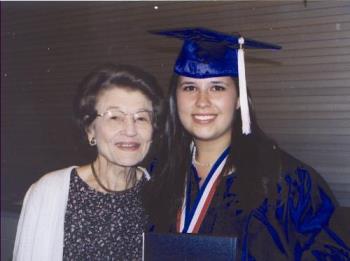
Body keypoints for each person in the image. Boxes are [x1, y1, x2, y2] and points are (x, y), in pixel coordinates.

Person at [144, 28, 350, 260]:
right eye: (190, 87)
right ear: (175, 98)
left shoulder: (285, 178)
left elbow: (334, 250)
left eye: (217, 87)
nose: (202, 101)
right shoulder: (155, 174)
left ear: (239, 98)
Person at [13, 64, 163, 260]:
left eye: (141, 118)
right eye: (115, 117)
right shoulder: (49, 191)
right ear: (90, 129)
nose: (130, 130)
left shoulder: (161, 192)